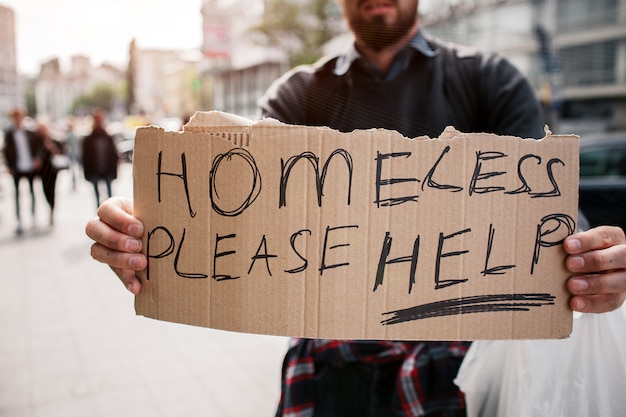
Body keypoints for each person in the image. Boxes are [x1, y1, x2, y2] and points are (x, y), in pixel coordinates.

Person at [86, 1, 626, 416]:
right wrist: (142, 233)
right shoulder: (298, 95)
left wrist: (591, 264)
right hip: (332, 375)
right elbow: (231, 215)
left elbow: (548, 220)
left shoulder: (488, 80)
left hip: (468, 373)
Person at [2, 107, 44, 235]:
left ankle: (33, 216)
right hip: (17, 167)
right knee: (17, 194)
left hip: (30, 166)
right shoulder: (10, 133)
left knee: (32, 192)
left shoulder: (29, 132)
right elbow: (6, 151)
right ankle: (19, 219)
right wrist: (9, 166)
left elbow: (39, 146)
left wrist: (37, 158)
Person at [82, 110, 119, 209]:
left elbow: (113, 155)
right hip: (94, 170)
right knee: (96, 195)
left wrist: (114, 170)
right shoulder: (89, 139)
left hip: (107, 169)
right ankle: (100, 211)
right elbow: (85, 157)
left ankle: (112, 211)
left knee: (110, 194)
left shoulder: (108, 137)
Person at [35, 120, 63, 226]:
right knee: (45, 190)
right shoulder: (38, 141)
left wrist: (50, 146)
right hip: (42, 171)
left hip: (52, 170)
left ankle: (52, 207)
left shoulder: (54, 140)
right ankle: (50, 205)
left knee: (52, 190)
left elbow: (60, 152)